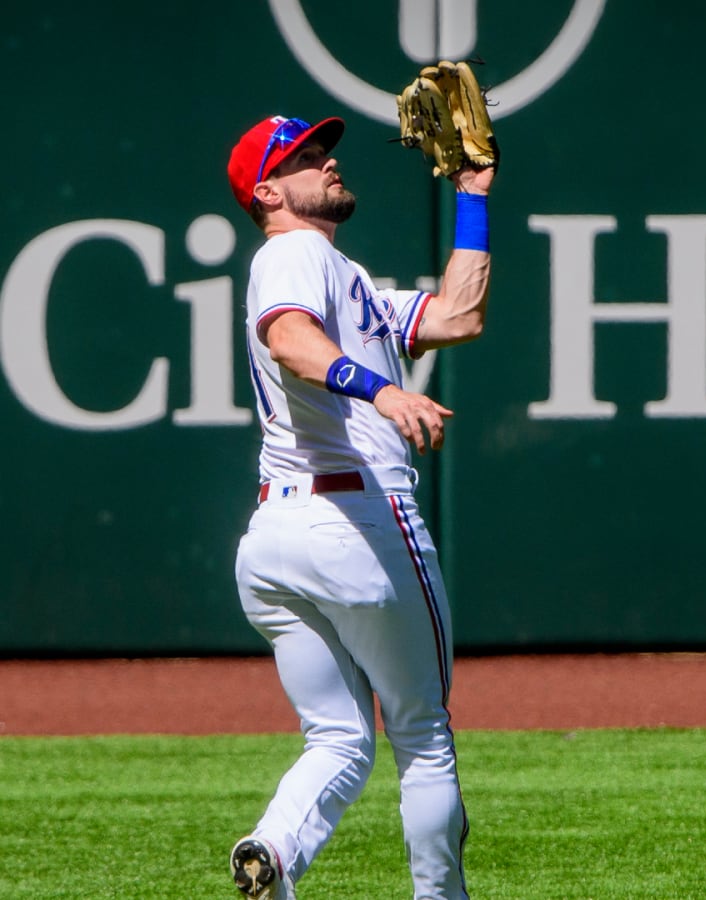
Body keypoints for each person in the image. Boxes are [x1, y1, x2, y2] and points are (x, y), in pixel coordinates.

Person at [223, 114, 494, 899]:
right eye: (305, 157)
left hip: (276, 541)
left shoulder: (352, 284)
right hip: (357, 526)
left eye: (324, 148)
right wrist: (382, 391)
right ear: (269, 191)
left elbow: (458, 315)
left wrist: (472, 196)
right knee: (424, 735)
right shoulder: (294, 253)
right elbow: (292, 342)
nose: (328, 160)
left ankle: (272, 851)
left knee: (339, 738)